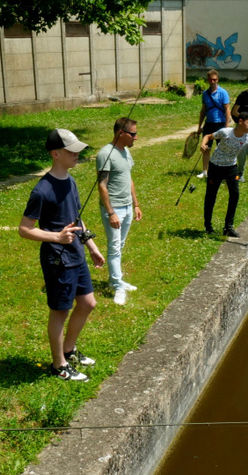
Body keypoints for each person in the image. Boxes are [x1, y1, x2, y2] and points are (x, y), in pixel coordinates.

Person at [19, 128, 105, 382]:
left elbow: (76, 218)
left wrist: (91, 246)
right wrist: (57, 237)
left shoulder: (70, 181)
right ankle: (59, 365)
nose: (77, 154)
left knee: (88, 303)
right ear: (55, 154)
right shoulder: (42, 190)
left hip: (76, 254)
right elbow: (25, 229)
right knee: (60, 312)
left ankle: (69, 349)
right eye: (72, 150)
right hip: (57, 259)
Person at [97, 117, 143, 306]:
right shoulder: (105, 154)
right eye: (133, 134)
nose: (136, 137)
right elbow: (101, 185)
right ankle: (117, 286)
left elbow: (129, 178)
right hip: (114, 208)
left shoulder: (125, 152)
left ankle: (115, 279)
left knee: (120, 245)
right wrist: (111, 212)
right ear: (120, 134)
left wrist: (136, 204)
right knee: (115, 247)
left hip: (127, 207)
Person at [196, 69, 231, 179]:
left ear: (218, 80)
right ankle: (205, 171)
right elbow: (203, 111)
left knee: (223, 148)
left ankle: (224, 171)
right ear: (208, 80)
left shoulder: (223, 93)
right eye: (211, 80)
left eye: (215, 79)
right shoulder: (205, 94)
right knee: (206, 148)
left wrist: (226, 126)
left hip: (220, 123)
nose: (213, 82)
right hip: (209, 124)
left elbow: (227, 109)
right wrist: (199, 126)